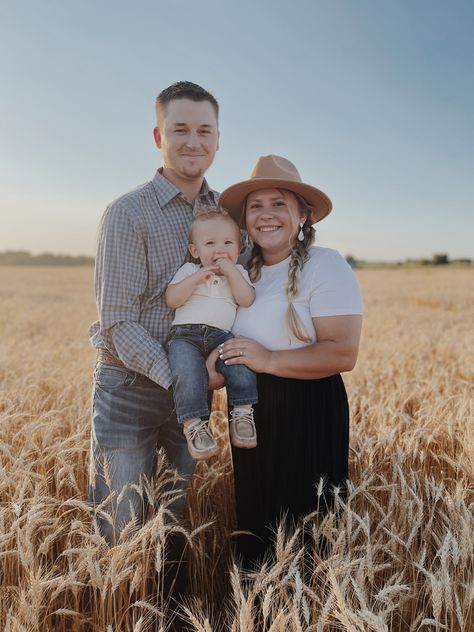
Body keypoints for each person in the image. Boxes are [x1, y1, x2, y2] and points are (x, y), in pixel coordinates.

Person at [213, 154, 363, 567]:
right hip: (249, 409)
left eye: (279, 203)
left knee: (307, 529)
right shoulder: (242, 271)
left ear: (302, 214)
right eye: (256, 206)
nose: (266, 215)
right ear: (244, 219)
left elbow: (342, 352)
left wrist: (268, 359)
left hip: (308, 406)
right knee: (258, 523)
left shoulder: (325, 264)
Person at [88, 81, 220, 545]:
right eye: (179, 129)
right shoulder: (128, 212)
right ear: (158, 137)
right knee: (119, 528)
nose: (193, 141)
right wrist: (186, 381)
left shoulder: (226, 213)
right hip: (128, 389)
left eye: (205, 130)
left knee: (174, 521)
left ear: (218, 139)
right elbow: (118, 319)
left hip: (193, 395)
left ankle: (168, 612)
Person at [165, 208, 258, 460]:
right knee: (186, 371)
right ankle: (194, 425)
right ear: (195, 251)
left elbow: (246, 298)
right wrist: (194, 280)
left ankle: (242, 412)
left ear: (239, 249)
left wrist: (231, 271)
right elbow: (172, 299)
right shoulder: (188, 270)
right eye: (210, 243)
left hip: (221, 336)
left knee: (239, 360)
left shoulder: (239, 274)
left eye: (228, 243)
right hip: (185, 336)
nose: (220, 250)